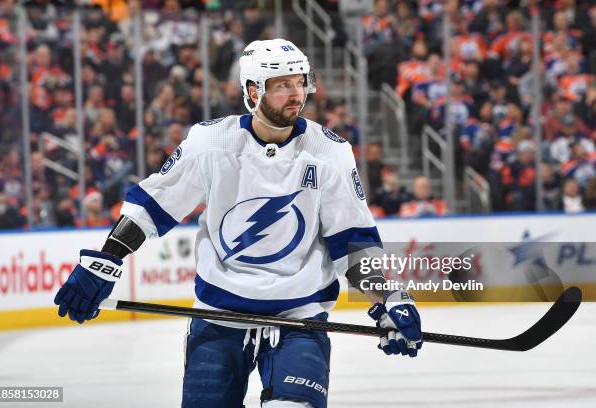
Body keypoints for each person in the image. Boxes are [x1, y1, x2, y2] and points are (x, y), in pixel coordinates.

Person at [53, 39, 423, 408]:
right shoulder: (211, 142)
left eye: (300, 83)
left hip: (299, 319)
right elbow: (153, 205)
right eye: (283, 86)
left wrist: (388, 298)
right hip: (218, 318)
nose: (296, 95)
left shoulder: (330, 152)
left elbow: (353, 240)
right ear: (252, 90)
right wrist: (106, 261)